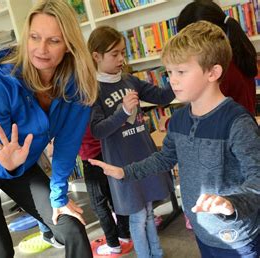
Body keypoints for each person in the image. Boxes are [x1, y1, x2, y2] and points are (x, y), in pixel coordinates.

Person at [90, 21, 260, 258]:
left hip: (237, 236)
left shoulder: (237, 123)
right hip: (202, 231)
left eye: (180, 71)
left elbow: (257, 179)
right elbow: (164, 158)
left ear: (213, 72)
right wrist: (124, 172)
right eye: (169, 72)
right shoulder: (179, 119)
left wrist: (231, 203)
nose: (172, 80)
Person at [0, 0, 98, 257]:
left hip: (22, 164)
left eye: (54, 40)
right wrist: (7, 164)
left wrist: (59, 197)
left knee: (71, 227)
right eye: (34, 37)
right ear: (26, 37)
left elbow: (66, 146)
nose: (41, 49)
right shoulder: (0, 82)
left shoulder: (78, 86)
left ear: (68, 45)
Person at [88, 25, 175, 257]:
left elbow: (161, 97)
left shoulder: (129, 80)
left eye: (122, 52)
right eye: (114, 54)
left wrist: (178, 73)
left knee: (147, 212)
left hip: (143, 155)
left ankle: (156, 252)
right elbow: (98, 131)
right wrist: (123, 112)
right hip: (121, 162)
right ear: (96, 56)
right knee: (137, 217)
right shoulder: (93, 89)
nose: (121, 59)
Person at [177, 0, 257, 115]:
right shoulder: (238, 52)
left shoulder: (218, 69)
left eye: (188, 41)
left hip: (228, 129)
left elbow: (204, 115)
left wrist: (169, 122)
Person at [79, 126, 131, 255]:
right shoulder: (95, 108)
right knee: (116, 197)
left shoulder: (73, 110)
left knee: (99, 205)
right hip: (109, 154)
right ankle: (124, 235)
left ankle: (113, 244)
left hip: (92, 160)